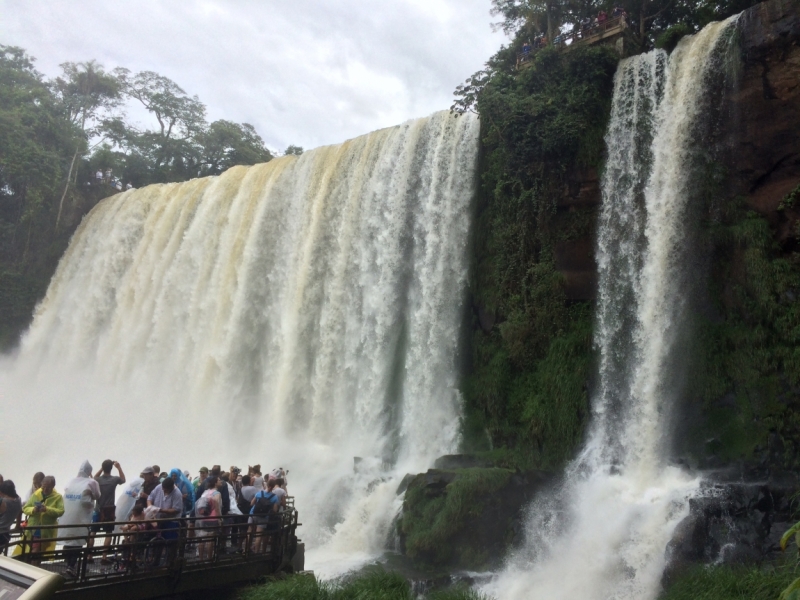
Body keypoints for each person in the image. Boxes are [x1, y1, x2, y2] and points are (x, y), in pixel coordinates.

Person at [60, 461, 100, 574]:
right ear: (89, 472)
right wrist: (90, 495)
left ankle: (69, 564)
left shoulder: (71, 481)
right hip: (82, 517)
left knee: (69, 540)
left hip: (67, 516)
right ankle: (71, 566)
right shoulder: (92, 482)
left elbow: (65, 490)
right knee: (78, 541)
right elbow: (98, 495)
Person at [15, 476, 63, 561]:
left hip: (46, 530)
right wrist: (33, 509)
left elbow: (60, 511)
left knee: (37, 552)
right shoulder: (36, 494)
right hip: (32, 529)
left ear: (53, 486)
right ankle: (34, 569)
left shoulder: (58, 497)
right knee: (35, 552)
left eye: (48, 488)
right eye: (43, 487)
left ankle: (33, 569)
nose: (45, 490)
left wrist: (47, 509)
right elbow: (25, 508)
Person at [93, 459, 126, 563]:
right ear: (111, 468)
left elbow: (94, 477)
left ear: (103, 468)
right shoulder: (114, 479)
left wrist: (102, 468)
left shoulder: (98, 480)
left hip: (97, 509)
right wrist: (119, 467)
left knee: (93, 532)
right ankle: (104, 556)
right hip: (109, 510)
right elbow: (123, 479)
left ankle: (89, 556)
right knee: (108, 533)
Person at [147, 477, 183, 565]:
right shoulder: (159, 487)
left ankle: (169, 564)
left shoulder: (177, 493)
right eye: (163, 488)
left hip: (171, 521)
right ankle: (155, 563)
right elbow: (150, 497)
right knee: (158, 542)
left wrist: (161, 510)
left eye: (166, 490)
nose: (164, 490)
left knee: (171, 543)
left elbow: (176, 510)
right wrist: (150, 507)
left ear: (171, 488)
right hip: (158, 519)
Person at [195, 476, 222, 560]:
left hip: (203, 517)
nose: (220, 481)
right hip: (213, 518)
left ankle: (201, 559)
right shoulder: (217, 493)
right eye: (219, 480)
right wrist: (220, 519)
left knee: (201, 538)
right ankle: (209, 559)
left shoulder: (205, 492)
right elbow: (217, 506)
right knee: (210, 540)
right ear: (215, 483)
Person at [0, 480, 22, 555]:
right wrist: (17, 525)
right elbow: (20, 512)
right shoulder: (18, 500)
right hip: (6, 533)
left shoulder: (4, 502)